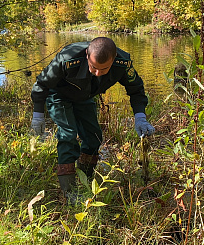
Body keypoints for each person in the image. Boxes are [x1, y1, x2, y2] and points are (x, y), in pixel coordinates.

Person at [30, 37, 154, 202]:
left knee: (94, 137)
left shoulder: (122, 64)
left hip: (85, 96)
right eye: (93, 67)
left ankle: (85, 178)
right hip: (58, 95)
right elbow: (42, 83)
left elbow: (136, 89)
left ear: (114, 59)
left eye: (104, 69)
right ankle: (70, 192)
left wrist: (140, 117)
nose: (97, 73)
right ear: (87, 55)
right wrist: (38, 114)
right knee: (68, 134)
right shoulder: (68, 59)